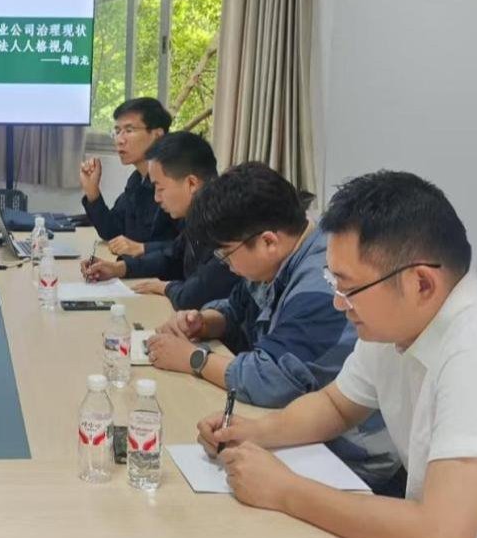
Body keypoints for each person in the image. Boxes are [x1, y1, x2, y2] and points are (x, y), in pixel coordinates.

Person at [199, 171, 477, 538]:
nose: (339, 304)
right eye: (333, 282)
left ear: (421, 282)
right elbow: (336, 405)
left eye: (349, 287)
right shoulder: (395, 325)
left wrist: (285, 490)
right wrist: (251, 431)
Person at [148, 161, 400, 492]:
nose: (228, 266)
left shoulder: (324, 284)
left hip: (350, 461)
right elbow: (237, 306)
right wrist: (204, 322)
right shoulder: (279, 260)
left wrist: (194, 359)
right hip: (304, 430)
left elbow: (272, 379)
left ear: (268, 241)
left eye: (227, 255)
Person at [80, 131, 238, 310]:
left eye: (160, 188)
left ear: (192, 184)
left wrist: (165, 287)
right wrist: (119, 268)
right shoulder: (196, 217)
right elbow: (171, 258)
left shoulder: (225, 225)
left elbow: (195, 294)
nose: (156, 197)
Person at [79, 97, 178, 256]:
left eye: (129, 130)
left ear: (157, 135)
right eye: (117, 131)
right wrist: (92, 192)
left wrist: (142, 248)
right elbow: (112, 232)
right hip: (135, 267)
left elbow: (185, 247)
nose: (119, 140)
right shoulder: (137, 179)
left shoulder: (175, 180)